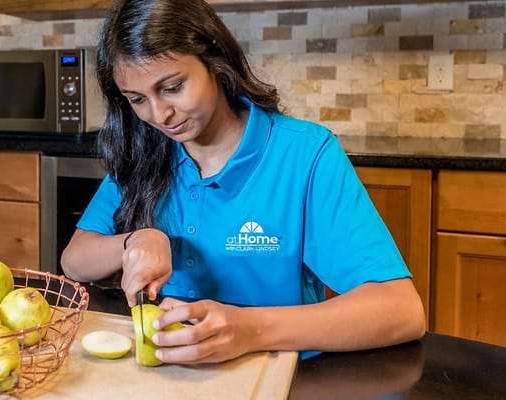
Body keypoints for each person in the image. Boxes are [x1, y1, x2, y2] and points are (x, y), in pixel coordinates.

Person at [60, 0, 425, 364]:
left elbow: (402, 311)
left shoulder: (305, 154)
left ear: (216, 62)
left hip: (277, 378)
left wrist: (250, 329)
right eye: (137, 99)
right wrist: (135, 240)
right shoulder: (145, 150)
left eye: (172, 87)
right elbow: (75, 261)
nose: (159, 115)